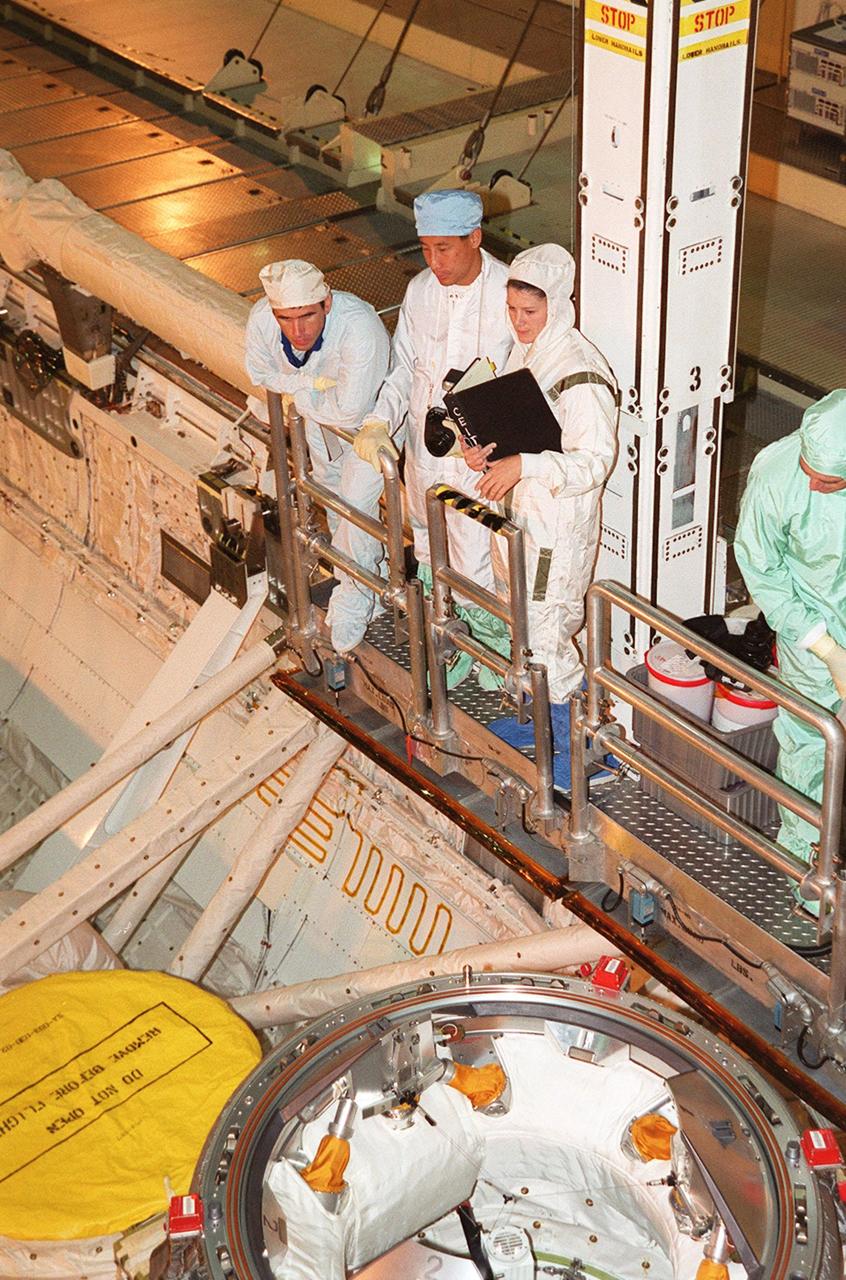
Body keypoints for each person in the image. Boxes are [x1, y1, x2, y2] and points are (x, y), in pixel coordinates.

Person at [353, 189, 513, 685]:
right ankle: (445, 640)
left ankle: (487, 650)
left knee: (476, 556)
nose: (434, 261)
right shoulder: (421, 290)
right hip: (425, 452)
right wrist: (379, 420)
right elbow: (405, 367)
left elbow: (521, 383)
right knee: (426, 543)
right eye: (425, 249)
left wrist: (493, 440)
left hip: (478, 460)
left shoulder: (507, 294)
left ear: (475, 238)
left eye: (444, 248)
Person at [464, 244, 617, 733]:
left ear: (556, 304)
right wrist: (482, 451)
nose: (518, 321)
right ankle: (538, 722)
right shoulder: (524, 352)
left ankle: (574, 744)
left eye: (529, 311)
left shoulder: (580, 372)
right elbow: (514, 426)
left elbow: (595, 462)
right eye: (511, 309)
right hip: (518, 519)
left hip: (554, 531)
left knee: (546, 639)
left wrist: (524, 464)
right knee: (521, 627)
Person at [245, 259, 390, 653]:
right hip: (321, 425)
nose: (298, 331)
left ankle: (355, 598)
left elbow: (350, 410)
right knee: (333, 501)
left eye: (307, 316)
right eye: (286, 319)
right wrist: (309, 384)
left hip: (373, 426)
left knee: (355, 507)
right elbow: (259, 372)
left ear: (326, 303)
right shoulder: (261, 320)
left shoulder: (359, 326)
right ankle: (369, 579)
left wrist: (300, 394)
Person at [733, 389, 846, 895]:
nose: (814, 483)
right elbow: (762, 567)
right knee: (808, 746)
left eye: (829, 480)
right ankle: (808, 867)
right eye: (809, 469)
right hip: (811, 633)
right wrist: (825, 648)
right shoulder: (777, 473)